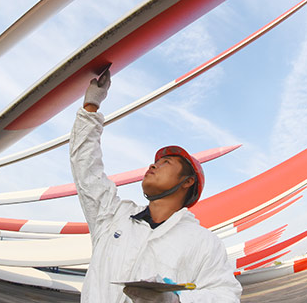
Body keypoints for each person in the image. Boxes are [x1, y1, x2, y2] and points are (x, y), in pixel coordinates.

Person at [70, 69, 242, 302]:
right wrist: (91, 107)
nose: (153, 166)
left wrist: (176, 301)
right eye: (154, 162)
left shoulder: (203, 243)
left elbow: (226, 296)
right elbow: (86, 170)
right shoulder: (112, 217)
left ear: (187, 181)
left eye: (166, 162)